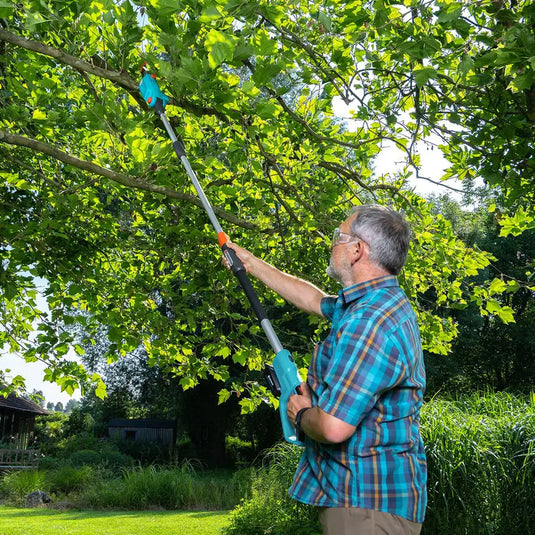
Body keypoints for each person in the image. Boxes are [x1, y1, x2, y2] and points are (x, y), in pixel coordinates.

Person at [225, 204, 427, 535]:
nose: (332, 243)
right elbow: (313, 299)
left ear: (357, 250)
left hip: (366, 507)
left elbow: (333, 428)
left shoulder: (369, 322)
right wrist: (249, 262)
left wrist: (301, 413)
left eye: (339, 236)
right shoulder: (371, 304)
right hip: (365, 503)